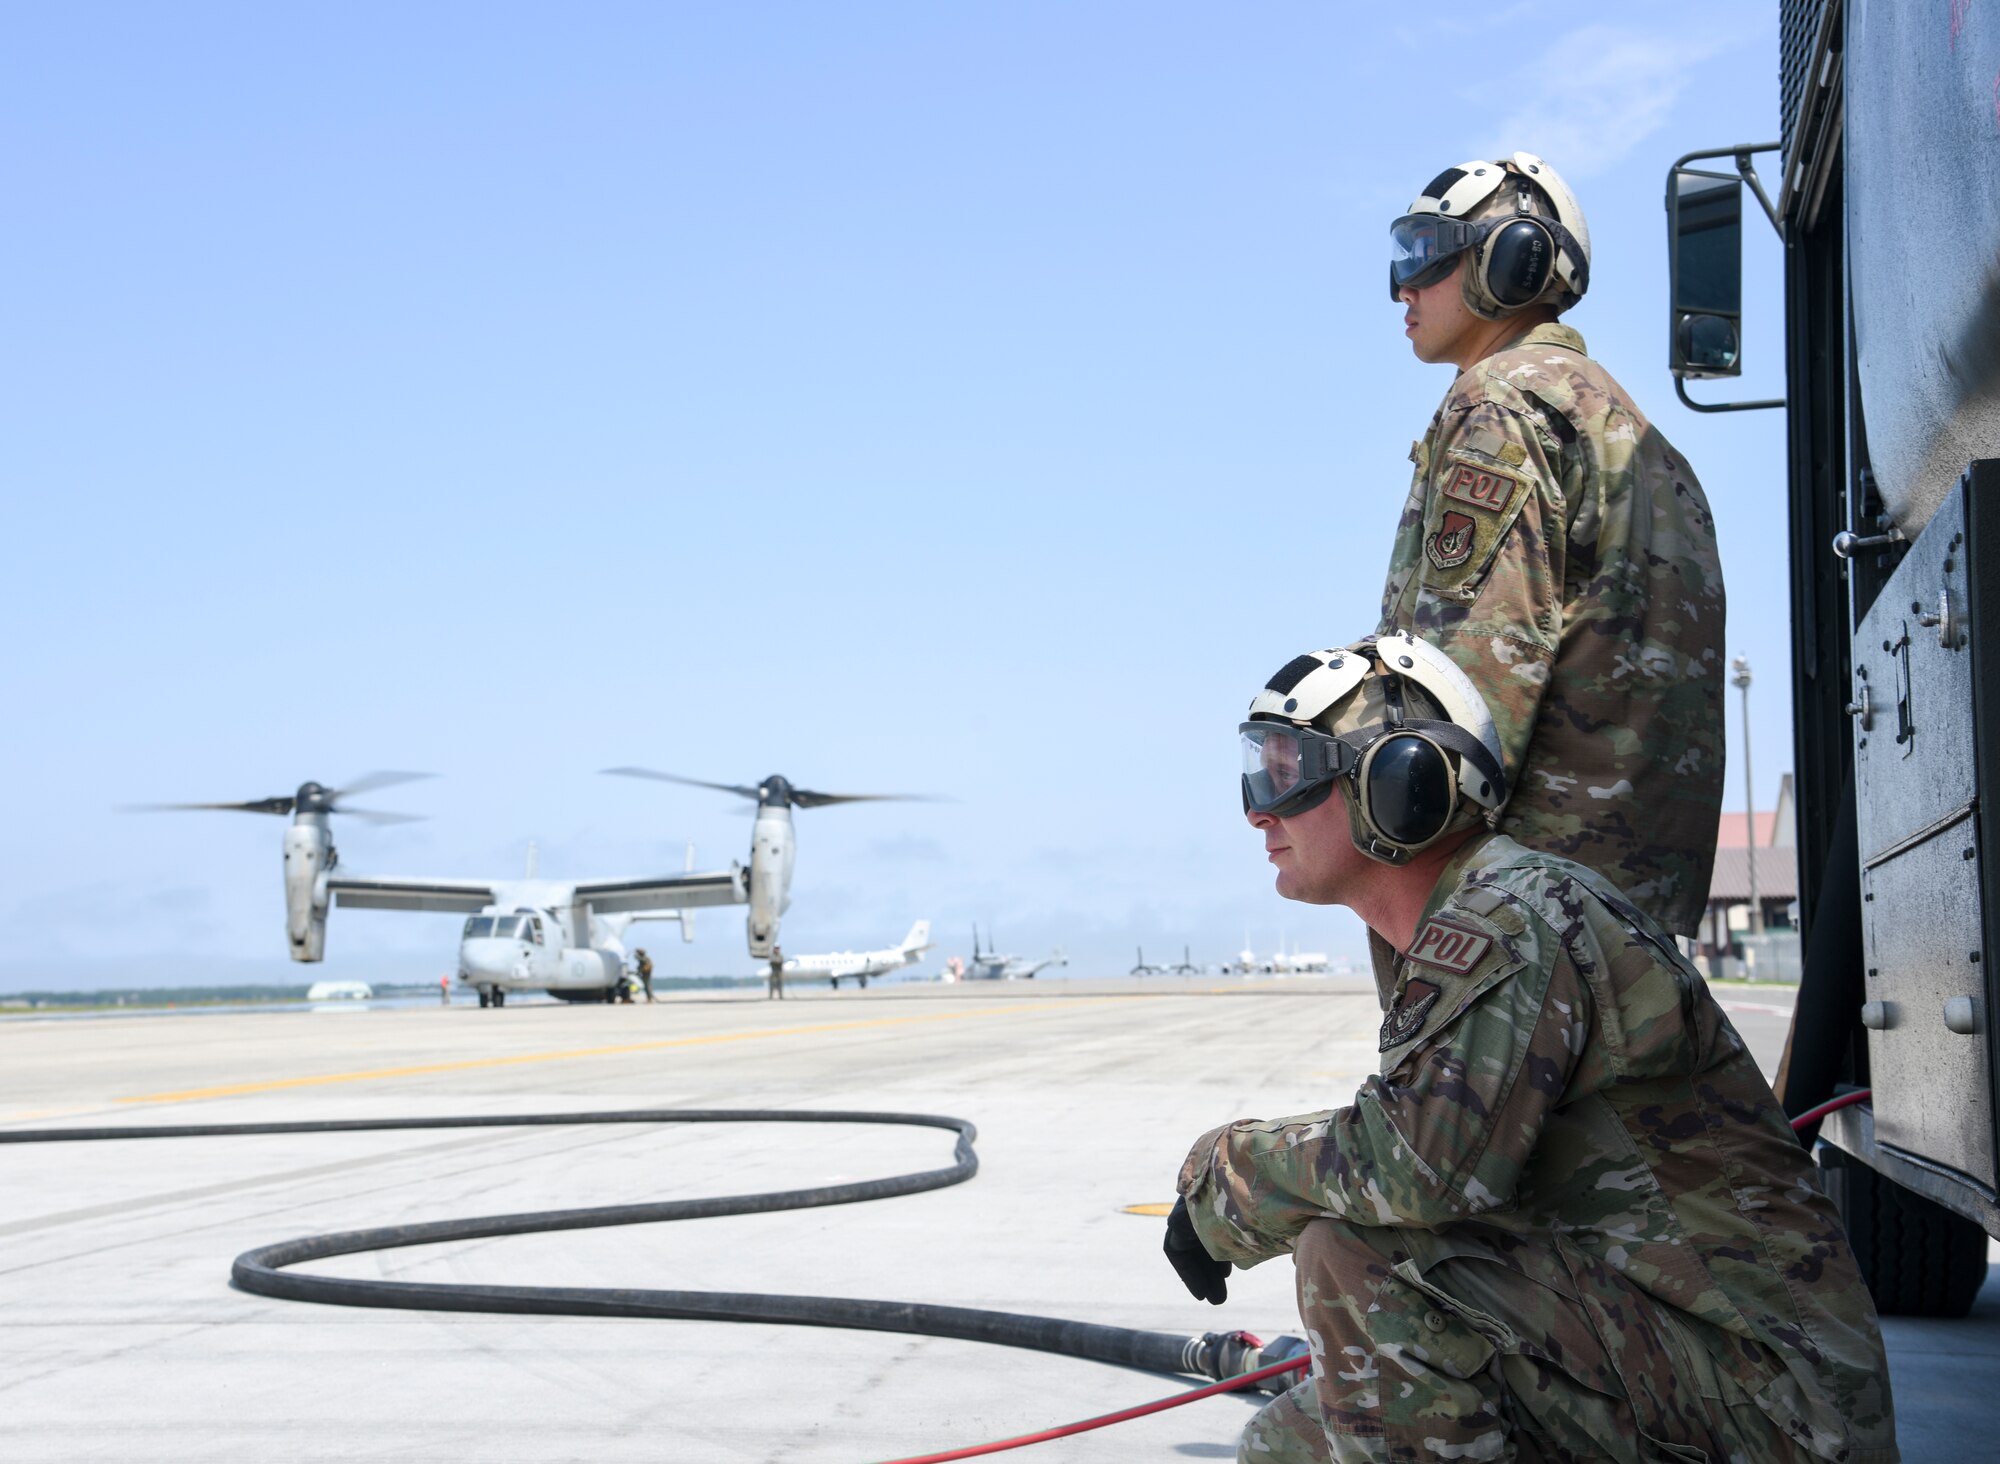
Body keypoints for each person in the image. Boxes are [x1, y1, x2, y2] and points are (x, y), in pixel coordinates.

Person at [1165, 633, 1896, 1463]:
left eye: (1288, 773)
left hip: (1777, 1410)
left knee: (1360, 1255)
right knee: (1284, 1446)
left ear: (1400, 782)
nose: (1260, 809)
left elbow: (1417, 1168)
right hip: (1691, 1367)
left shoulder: (1510, 918)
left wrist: (1224, 1177)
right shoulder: (1466, 920)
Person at [1380, 153, 1725, 965]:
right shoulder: (1635, 435)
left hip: (1519, 914)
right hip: (1620, 910)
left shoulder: (1499, 402)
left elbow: (1467, 688)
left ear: (1512, 259)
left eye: (1425, 251)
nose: (1402, 287)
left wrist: (1391, 853)